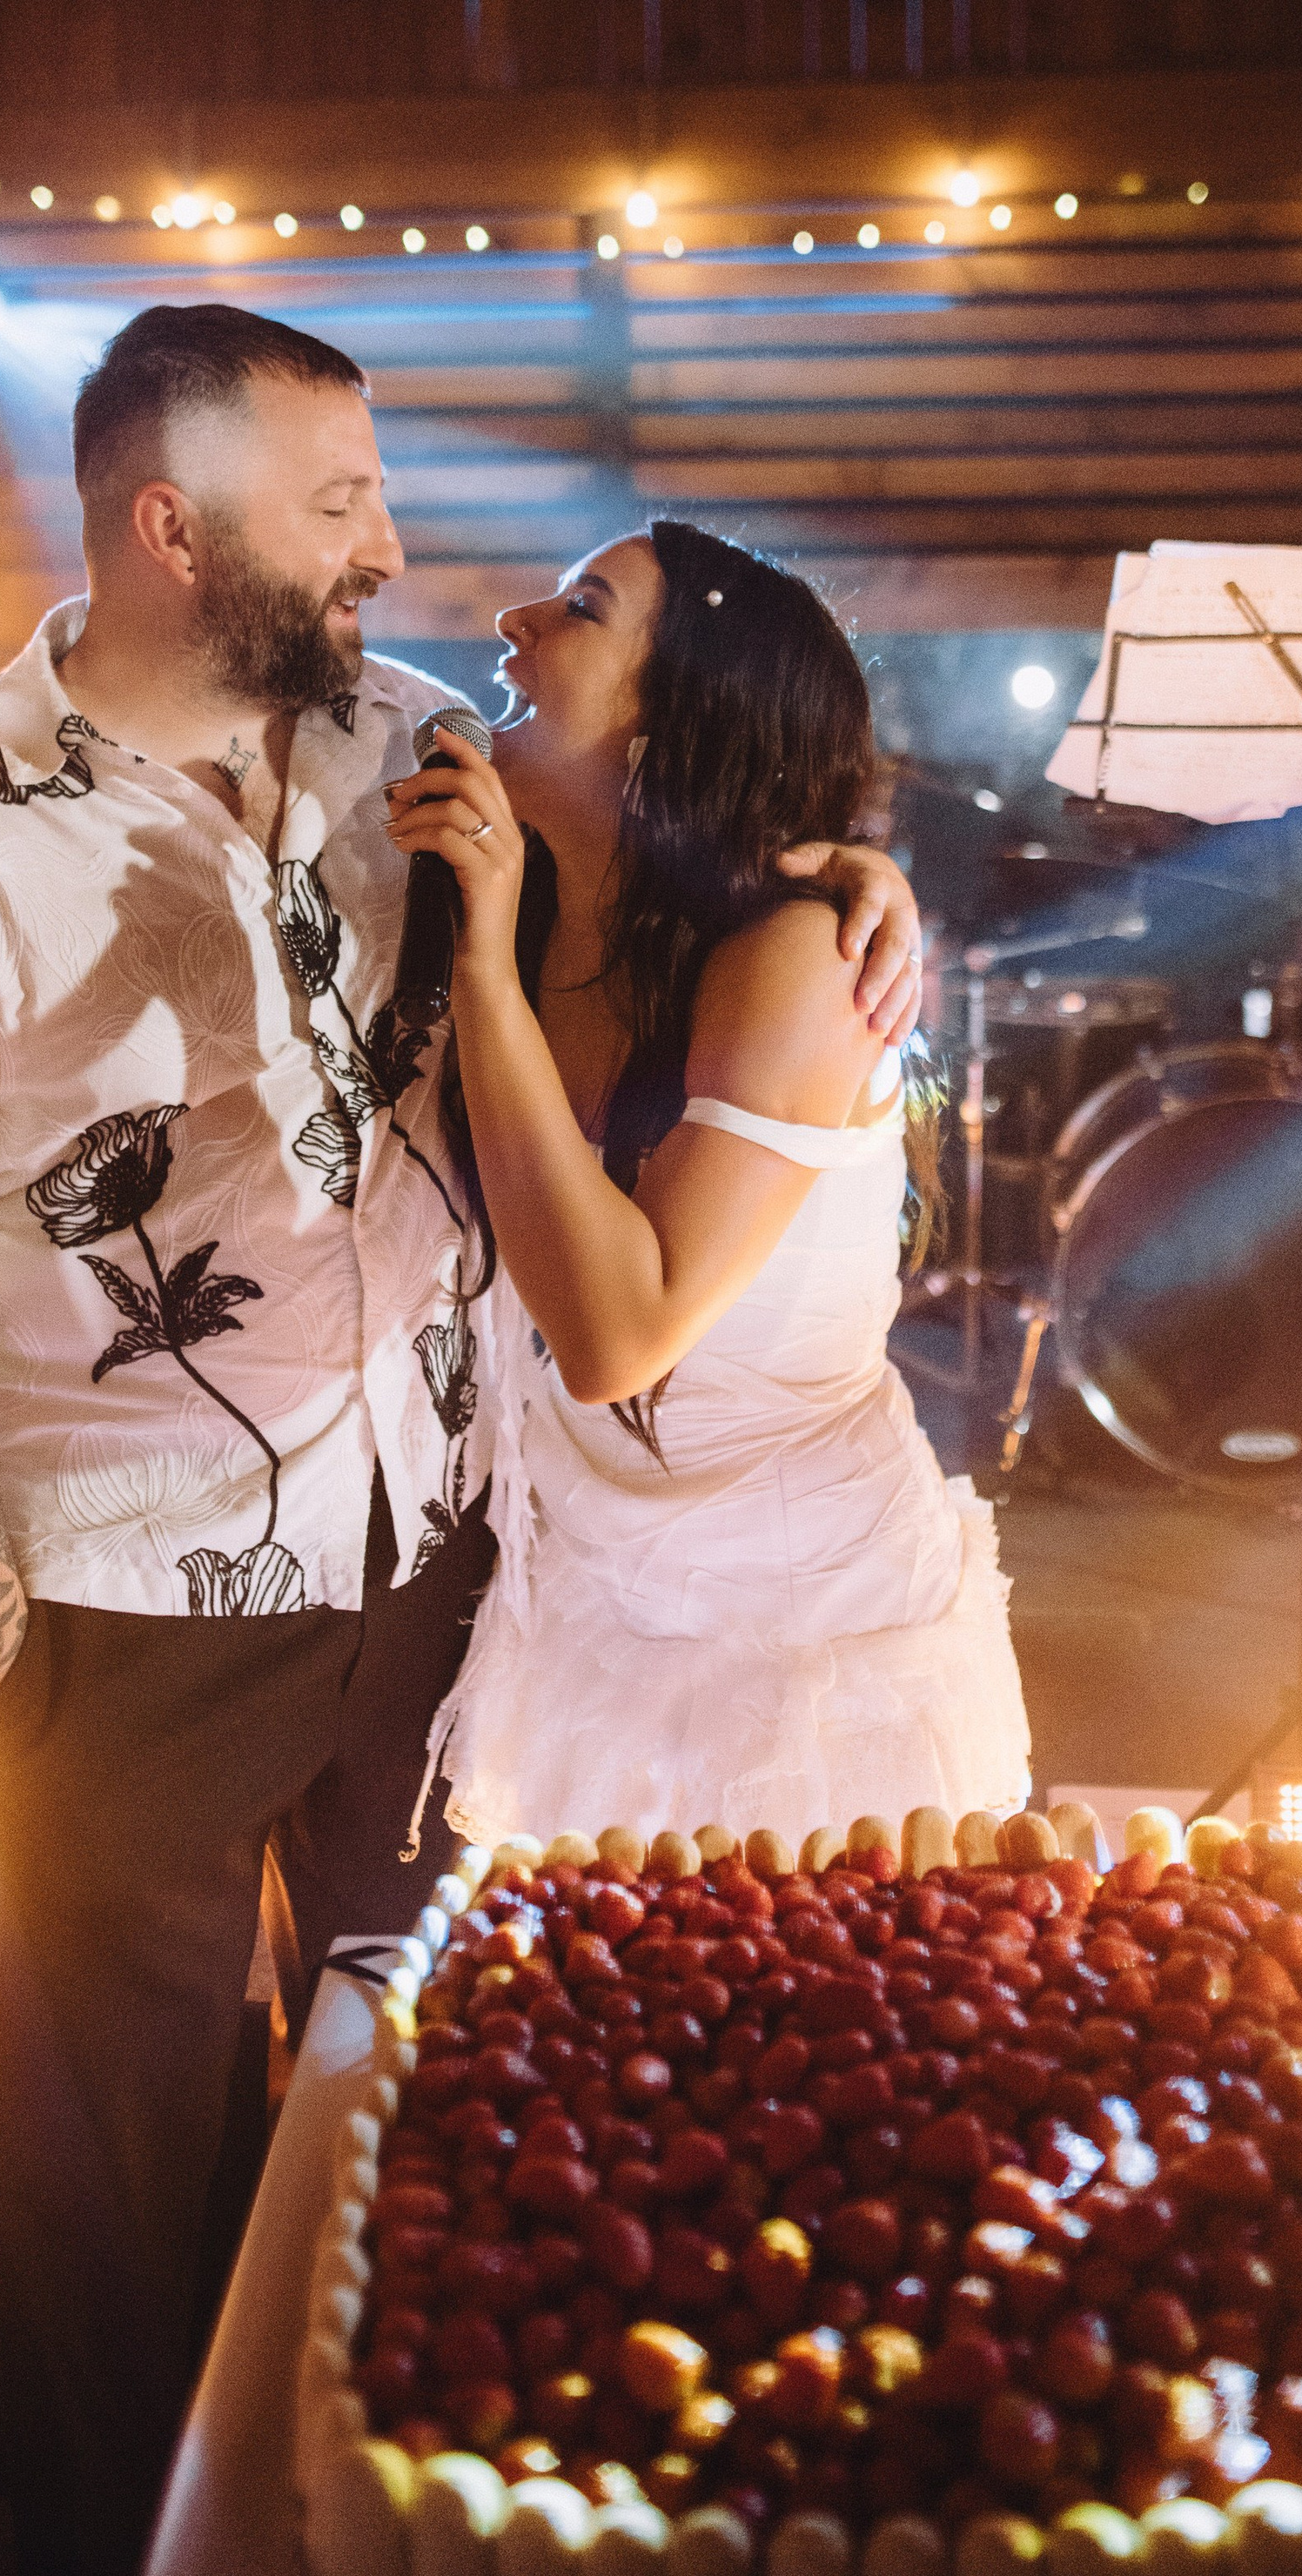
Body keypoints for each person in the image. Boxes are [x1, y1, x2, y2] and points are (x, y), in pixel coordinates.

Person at [0, 306, 921, 2576]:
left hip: (451, 1584)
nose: (394, 546)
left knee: (441, 2169)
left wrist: (871, 890)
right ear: (174, 528)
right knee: (118, 2241)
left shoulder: (427, 755)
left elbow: (703, 838)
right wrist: (9, 1690)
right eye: (339, 500)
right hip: (125, 1628)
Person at [385, 518, 1031, 1846]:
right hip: (589, 1617)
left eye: (581, 607)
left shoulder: (796, 961)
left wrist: (490, 975)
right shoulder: (510, 903)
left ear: (676, 711)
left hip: (800, 1654)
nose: (514, 623)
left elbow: (618, 1338)